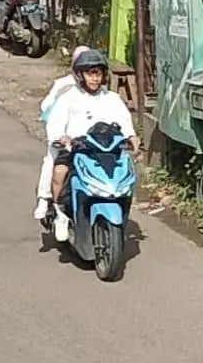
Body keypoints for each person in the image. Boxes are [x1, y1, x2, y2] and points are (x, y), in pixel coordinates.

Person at [45, 48, 138, 243]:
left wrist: (132, 137)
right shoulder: (69, 97)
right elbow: (55, 123)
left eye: (98, 73)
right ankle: (60, 212)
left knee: (128, 176)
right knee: (60, 172)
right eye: (90, 73)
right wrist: (62, 138)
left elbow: (125, 121)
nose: (95, 78)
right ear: (80, 75)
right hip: (77, 150)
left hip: (108, 151)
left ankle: (121, 208)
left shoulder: (112, 98)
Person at [34, 46, 89, 223]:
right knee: (52, 160)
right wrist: (59, 95)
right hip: (65, 137)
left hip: (90, 139)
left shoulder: (97, 86)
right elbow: (45, 107)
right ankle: (45, 198)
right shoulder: (63, 84)